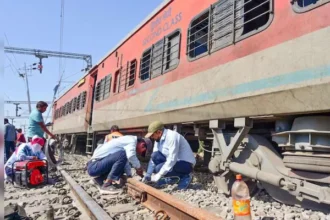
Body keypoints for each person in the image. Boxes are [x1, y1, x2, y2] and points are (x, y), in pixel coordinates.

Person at [86, 136, 151, 194]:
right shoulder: (132, 141)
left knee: (121, 161)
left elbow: (124, 162)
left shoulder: (127, 141)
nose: (139, 153)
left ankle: (98, 180)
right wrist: (139, 168)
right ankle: (106, 185)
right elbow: (130, 156)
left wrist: (129, 176)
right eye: (142, 152)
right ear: (142, 145)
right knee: (122, 155)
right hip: (94, 166)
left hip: (95, 165)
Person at [143, 121, 196, 190]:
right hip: (175, 163)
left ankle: (185, 176)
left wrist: (159, 175)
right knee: (155, 156)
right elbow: (153, 159)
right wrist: (148, 174)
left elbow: (172, 159)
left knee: (159, 169)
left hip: (186, 164)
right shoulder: (158, 140)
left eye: (152, 135)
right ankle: (173, 178)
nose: (152, 137)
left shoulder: (172, 137)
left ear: (159, 132)